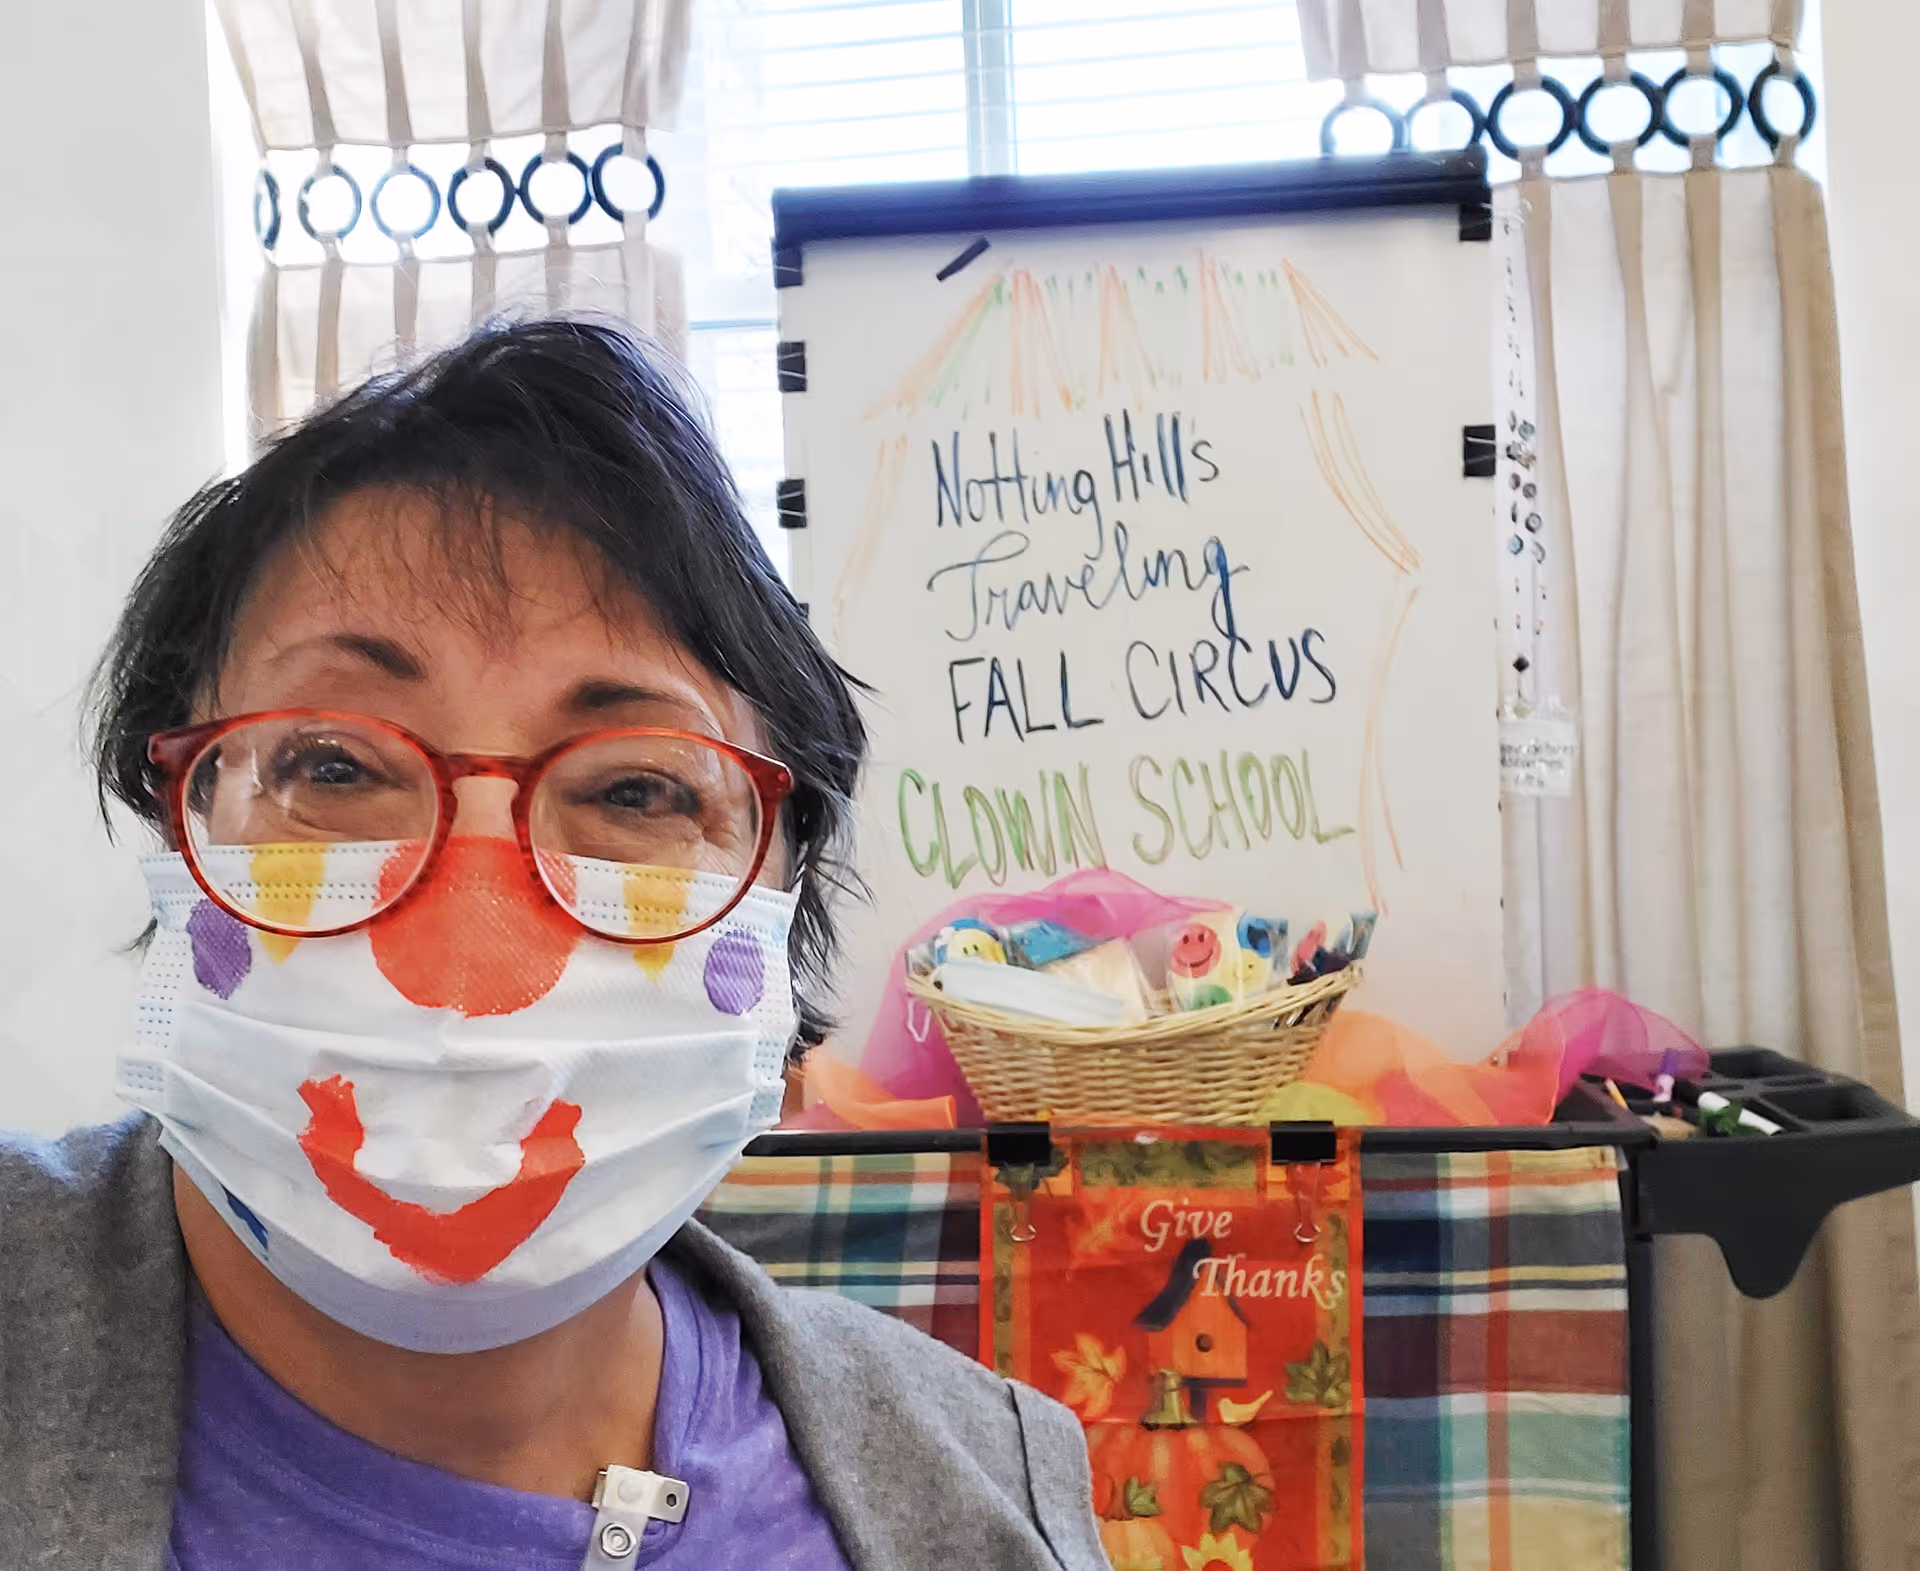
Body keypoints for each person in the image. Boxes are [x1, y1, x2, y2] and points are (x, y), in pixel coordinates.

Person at [0, 319, 1103, 1570]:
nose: (471, 964)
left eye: (638, 790)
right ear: (177, 826)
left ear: (781, 893)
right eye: (333, 765)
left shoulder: (987, 1484)